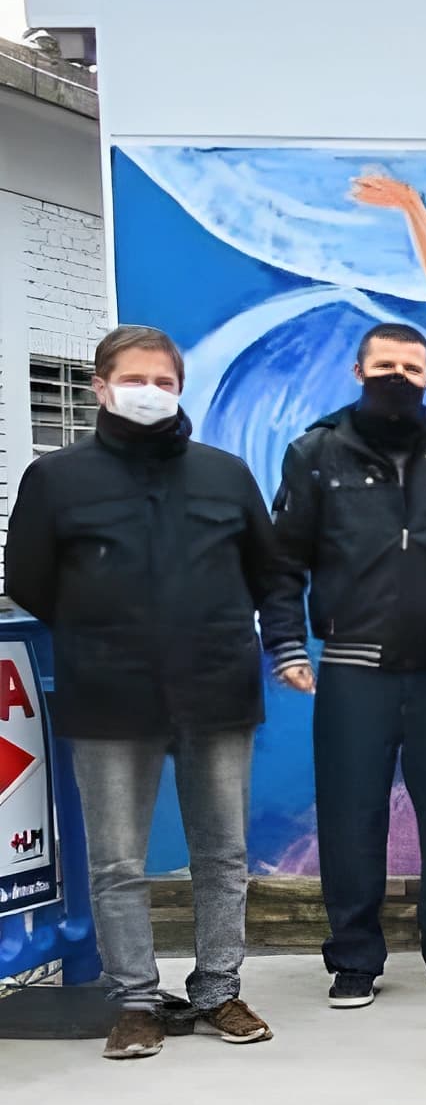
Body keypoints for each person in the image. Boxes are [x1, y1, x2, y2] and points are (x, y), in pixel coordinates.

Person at [5, 326, 291, 1059]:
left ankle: (219, 989)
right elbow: (30, 581)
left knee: (222, 855)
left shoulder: (225, 476)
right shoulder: (57, 479)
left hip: (217, 691)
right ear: (100, 387)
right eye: (135, 379)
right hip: (109, 697)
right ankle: (133, 999)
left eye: (164, 382)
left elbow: (268, 572)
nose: (150, 393)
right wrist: (105, 631)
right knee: (117, 861)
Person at [265, 322, 426, 1008]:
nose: (400, 377)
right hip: (353, 667)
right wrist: (284, 644)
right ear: (357, 370)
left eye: (413, 368)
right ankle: (355, 960)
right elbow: (283, 562)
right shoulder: (315, 454)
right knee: (351, 815)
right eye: (386, 365)